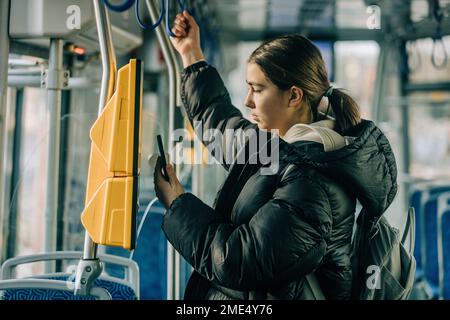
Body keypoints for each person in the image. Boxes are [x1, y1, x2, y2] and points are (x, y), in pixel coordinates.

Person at [153, 11, 398, 300]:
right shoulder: (280, 149)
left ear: (294, 97)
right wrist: (191, 53)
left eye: (257, 89)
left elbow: (238, 261)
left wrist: (177, 203)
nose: (247, 101)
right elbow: (220, 122)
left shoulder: (313, 182)